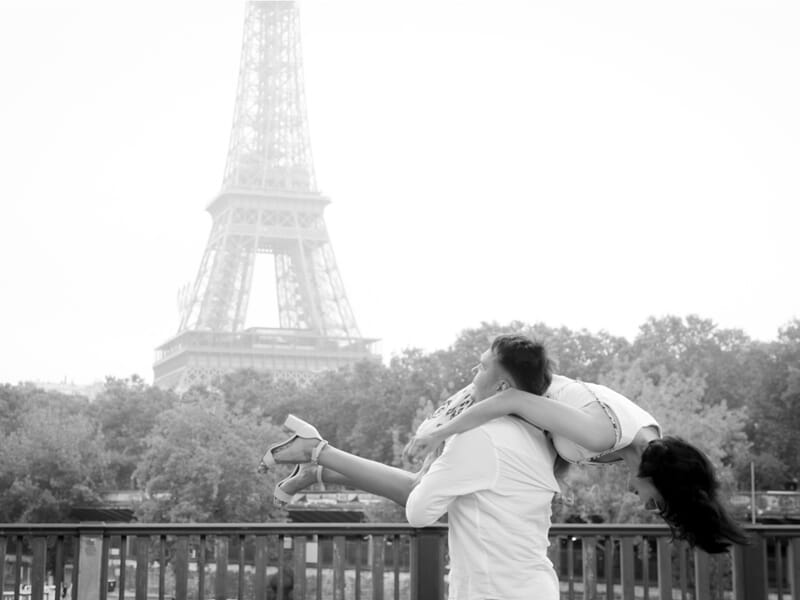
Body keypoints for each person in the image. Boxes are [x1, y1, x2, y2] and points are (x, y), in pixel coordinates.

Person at [260, 334, 562, 599]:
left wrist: (442, 448)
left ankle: (318, 454)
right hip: (535, 587)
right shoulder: (539, 436)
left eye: (482, 367)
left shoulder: (479, 437)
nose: (473, 373)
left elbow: (418, 510)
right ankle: (319, 458)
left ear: (501, 386)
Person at [404, 367, 749, 554]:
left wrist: (552, 478)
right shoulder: (608, 435)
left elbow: (561, 433)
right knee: (418, 488)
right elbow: (513, 398)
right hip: (493, 399)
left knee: (421, 491)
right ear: (658, 479)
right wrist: (439, 434)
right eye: (655, 504)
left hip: (505, 420)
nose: (644, 506)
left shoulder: (639, 437)